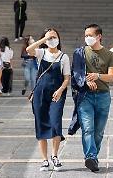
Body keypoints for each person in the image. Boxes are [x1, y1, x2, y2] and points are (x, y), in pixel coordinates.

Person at [26, 28, 71, 171]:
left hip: (57, 94)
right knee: (41, 123)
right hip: (40, 94)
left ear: (59, 38)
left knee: (56, 122)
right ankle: (44, 159)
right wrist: (44, 39)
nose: (52, 40)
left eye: (54, 37)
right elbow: (29, 49)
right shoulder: (41, 53)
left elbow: (67, 78)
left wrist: (60, 90)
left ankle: (55, 156)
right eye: (50, 38)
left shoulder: (63, 56)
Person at [74, 24, 113, 172]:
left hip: (103, 96)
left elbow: (112, 77)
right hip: (86, 96)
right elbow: (76, 73)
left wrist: (98, 76)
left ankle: (93, 157)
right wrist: (86, 80)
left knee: (98, 131)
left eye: (90, 35)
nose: (87, 38)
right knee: (88, 128)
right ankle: (90, 157)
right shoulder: (80, 53)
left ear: (99, 36)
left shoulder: (109, 55)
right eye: (86, 35)